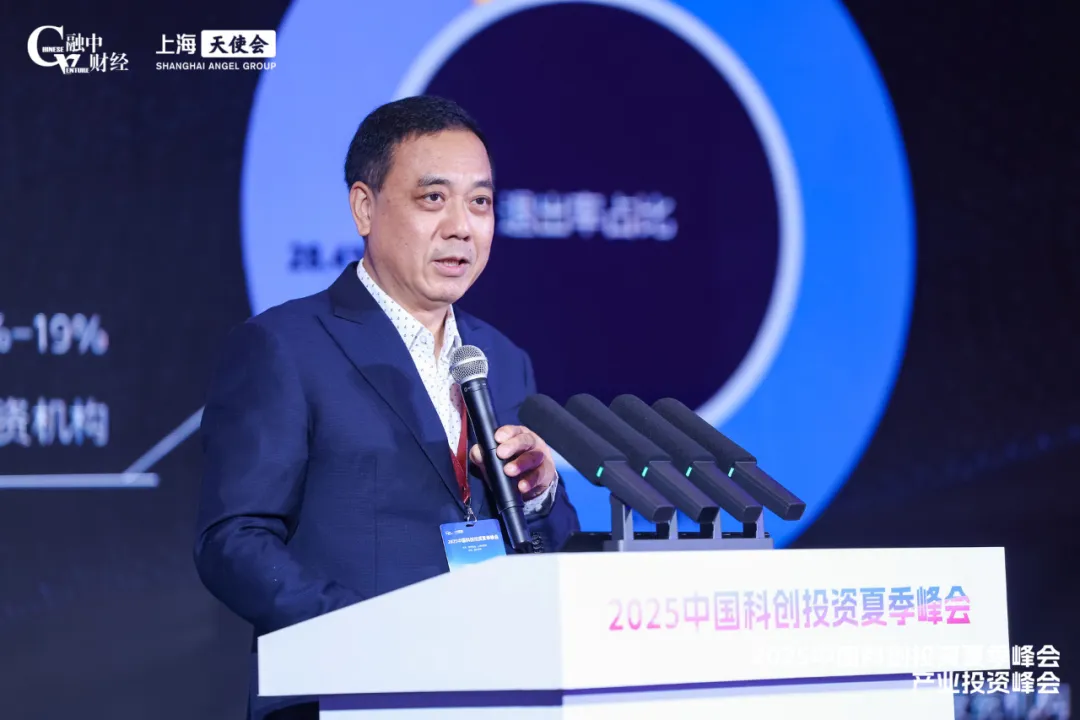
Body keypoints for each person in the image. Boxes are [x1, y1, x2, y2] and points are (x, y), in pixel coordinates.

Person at [194, 95, 581, 720]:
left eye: (480, 202)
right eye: (433, 198)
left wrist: (538, 496)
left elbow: (552, 548)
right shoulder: (285, 346)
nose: (461, 226)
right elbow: (233, 542)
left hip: (493, 694)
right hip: (345, 695)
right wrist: (371, 634)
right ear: (364, 208)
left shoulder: (503, 359)